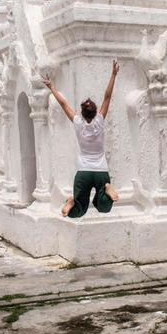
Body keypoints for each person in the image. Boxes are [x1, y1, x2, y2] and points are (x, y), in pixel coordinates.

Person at [42, 60, 120, 218]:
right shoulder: (99, 120)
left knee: (79, 209)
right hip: (101, 172)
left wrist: (52, 88)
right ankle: (107, 192)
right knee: (103, 207)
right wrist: (113, 74)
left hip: (83, 171)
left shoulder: (77, 122)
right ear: (96, 111)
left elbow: (63, 104)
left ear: (82, 113)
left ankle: (71, 202)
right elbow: (107, 97)